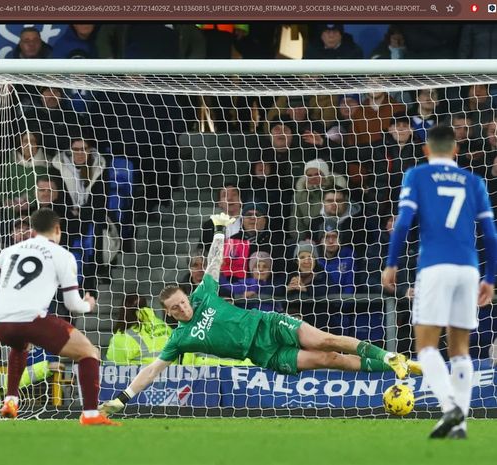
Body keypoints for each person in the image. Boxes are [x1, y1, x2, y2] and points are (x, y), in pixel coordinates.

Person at [100, 213, 420, 416]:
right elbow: (153, 370)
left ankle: (390, 356)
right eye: (175, 308)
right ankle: (397, 366)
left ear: (186, 296)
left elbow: (213, 262)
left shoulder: (203, 295)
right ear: (170, 314)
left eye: (182, 301)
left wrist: (220, 231)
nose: (183, 308)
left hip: (268, 324)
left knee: (326, 340)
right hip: (261, 353)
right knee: (328, 360)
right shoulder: (180, 338)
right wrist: (123, 398)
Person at [382, 125, 497, 439]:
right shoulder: (474, 182)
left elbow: (403, 223)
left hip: (434, 266)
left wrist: (391, 263)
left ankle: (450, 406)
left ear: (426, 150)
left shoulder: (417, 176)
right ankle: (459, 426)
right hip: (468, 269)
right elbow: (490, 234)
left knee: (426, 347)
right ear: (456, 150)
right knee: (461, 349)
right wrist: (490, 277)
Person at [0, 208, 119, 426]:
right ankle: (91, 414)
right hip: (31, 320)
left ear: (32, 231)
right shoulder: (63, 255)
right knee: (89, 353)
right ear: (57, 229)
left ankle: (10, 401)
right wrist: (88, 305)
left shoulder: (11, 250)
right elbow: (72, 304)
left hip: (0, 322)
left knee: (19, 346)